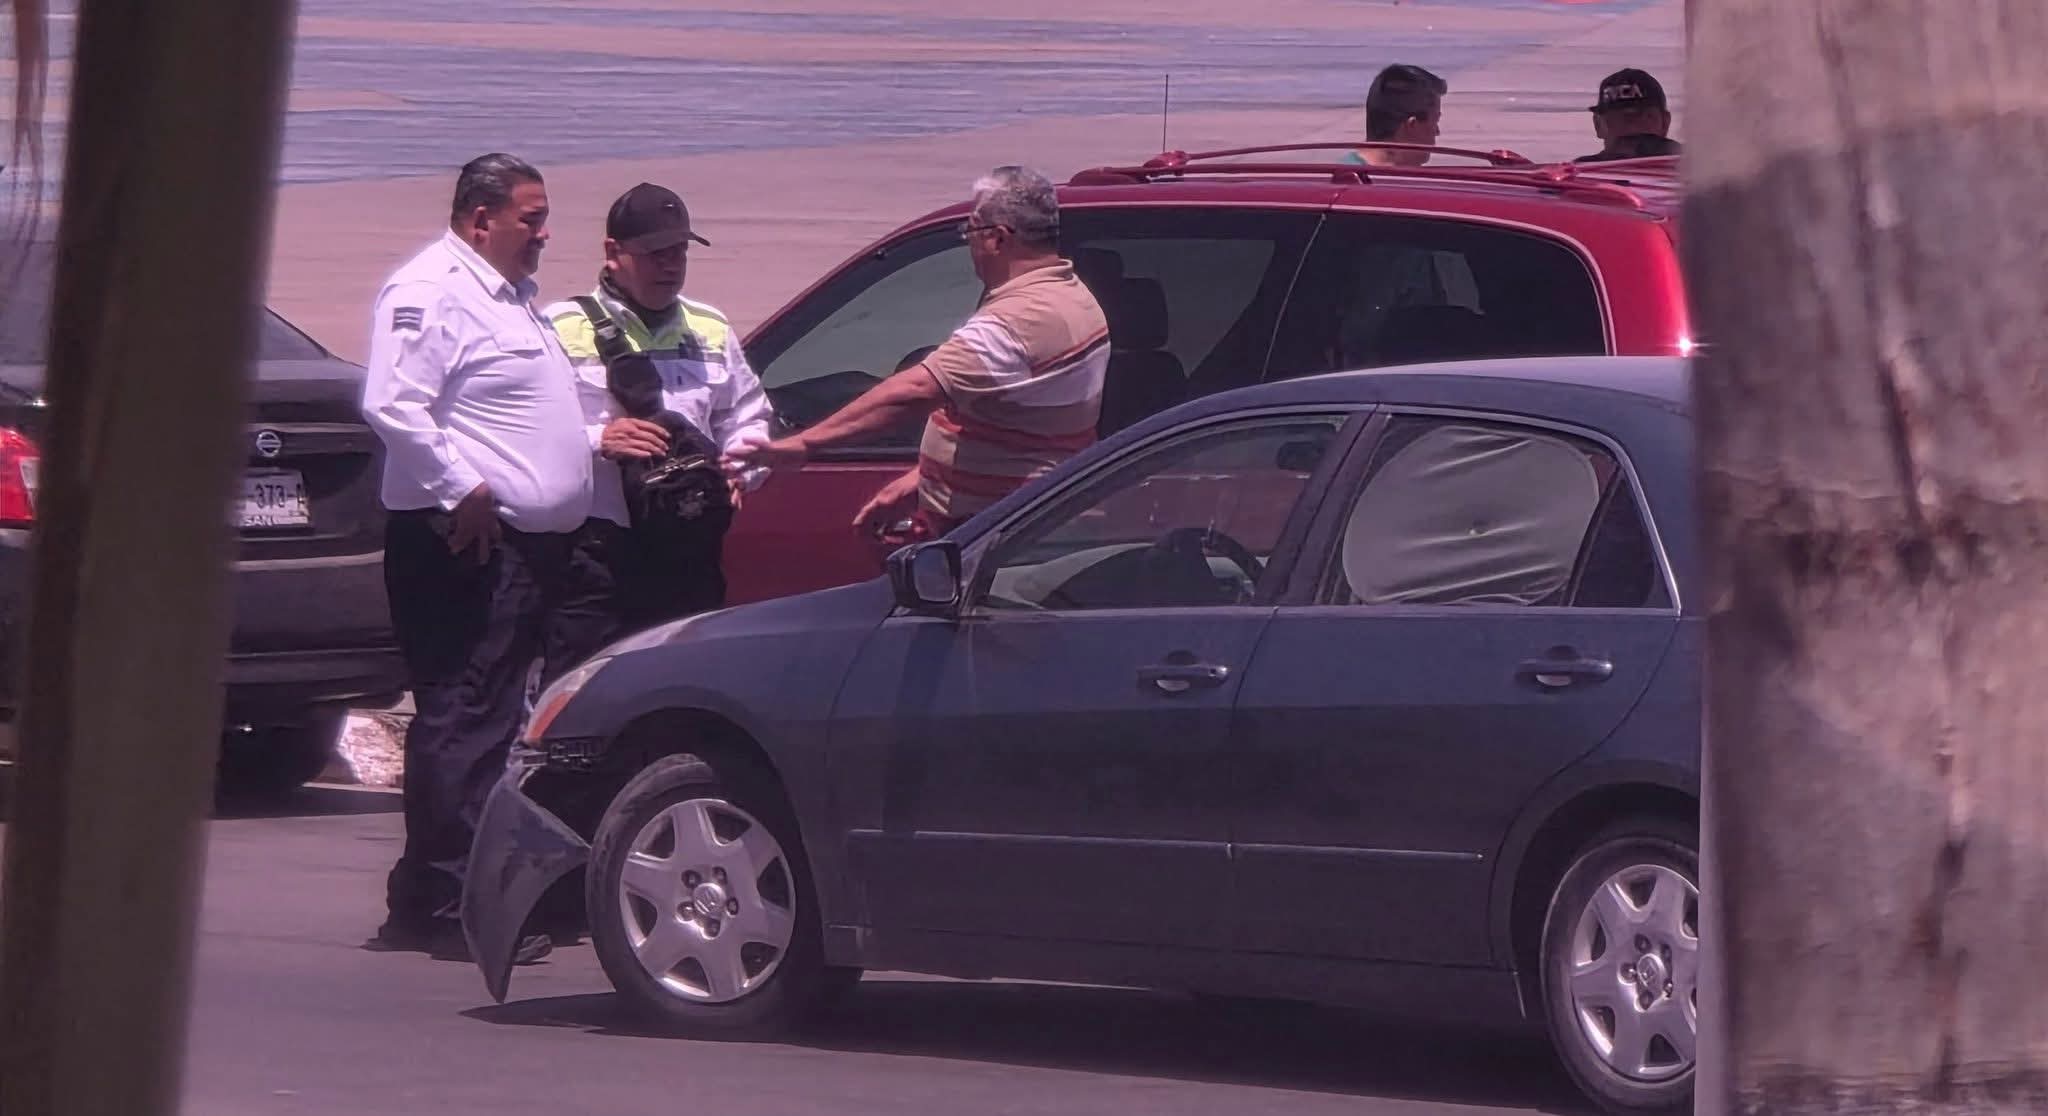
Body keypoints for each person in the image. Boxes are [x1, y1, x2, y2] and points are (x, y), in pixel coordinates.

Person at [360, 153, 618, 963]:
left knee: (487, 717)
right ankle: (453, 906)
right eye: (530, 219)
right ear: (481, 220)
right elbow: (392, 402)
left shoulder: (509, 298)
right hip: (466, 541)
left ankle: (419, 897)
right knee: (466, 717)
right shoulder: (431, 290)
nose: (544, 234)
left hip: (528, 545)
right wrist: (460, 487)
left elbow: (510, 417)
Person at [728, 166, 1108, 539]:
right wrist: (922, 480)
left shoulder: (1021, 319)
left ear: (997, 238)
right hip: (1026, 516)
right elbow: (1025, 422)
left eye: (972, 231)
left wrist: (803, 443)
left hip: (1001, 530)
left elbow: (913, 391)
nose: (970, 244)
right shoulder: (1071, 296)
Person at [546, 183, 774, 626]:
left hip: (689, 546)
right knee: (590, 668)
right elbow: (525, 431)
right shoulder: (558, 327)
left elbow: (746, 414)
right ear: (613, 252)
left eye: (679, 252)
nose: (670, 265)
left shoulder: (710, 326)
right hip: (597, 549)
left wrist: (739, 469)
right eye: (655, 254)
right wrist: (599, 439)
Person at [1575, 68, 1683, 162]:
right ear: (1598, 125)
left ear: (1665, 122)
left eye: (1644, 117)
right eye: (1619, 119)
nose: (1632, 129)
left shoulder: (1690, 165)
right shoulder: (1577, 173)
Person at [1350, 64, 1448, 167]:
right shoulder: (1354, 175)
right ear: (1412, 126)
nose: (1437, 132)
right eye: (1435, 121)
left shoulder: (1346, 171)